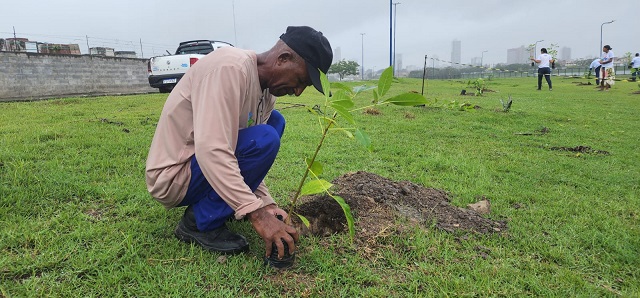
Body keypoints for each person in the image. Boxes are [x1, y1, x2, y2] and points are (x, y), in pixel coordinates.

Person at [145, 26, 333, 259]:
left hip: (199, 169)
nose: (297, 92)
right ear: (283, 59)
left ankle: (217, 205)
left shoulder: (267, 93)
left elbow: (248, 155)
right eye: (300, 81)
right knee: (266, 136)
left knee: (274, 123)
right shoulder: (229, 69)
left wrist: (266, 203)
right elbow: (212, 151)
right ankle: (198, 222)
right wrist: (256, 214)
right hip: (175, 176)